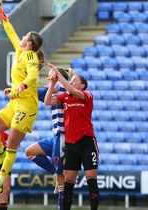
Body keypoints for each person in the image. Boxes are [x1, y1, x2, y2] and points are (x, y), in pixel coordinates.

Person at [0, 6, 45, 198]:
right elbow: (11, 33)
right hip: (15, 102)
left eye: (25, 36)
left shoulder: (31, 57)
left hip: (27, 106)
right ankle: (0, 152)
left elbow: (33, 76)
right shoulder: (20, 49)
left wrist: (21, 87)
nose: (22, 37)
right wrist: (2, 16)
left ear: (30, 43)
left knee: (12, 144)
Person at [44, 64, 99, 210]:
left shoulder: (87, 95)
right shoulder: (65, 97)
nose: (72, 81)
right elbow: (47, 101)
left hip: (87, 141)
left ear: (82, 85)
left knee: (91, 180)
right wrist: (53, 83)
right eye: (71, 80)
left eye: (75, 80)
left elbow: (71, 89)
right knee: (68, 183)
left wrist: (58, 73)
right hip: (71, 144)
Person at [24, 67, 74, 210]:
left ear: (58, 78)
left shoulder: (66, 91)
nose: (48, 77)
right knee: (30, 152)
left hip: (63, 136)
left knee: (61, 178)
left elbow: (39, 94)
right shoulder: (52, 90)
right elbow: (31, 92)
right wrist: (15, 91)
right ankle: (54, 171)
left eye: (51, 75)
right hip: (55, 137)